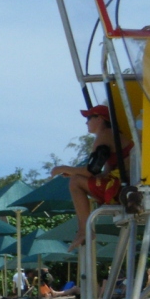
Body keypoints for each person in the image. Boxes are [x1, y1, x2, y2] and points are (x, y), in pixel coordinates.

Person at [51, 105, 132, 250]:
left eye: (89, 118)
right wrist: (75, 172)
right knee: (77, 179)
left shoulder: (105, 134)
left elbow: (90, 172)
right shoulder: (111, 135)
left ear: (99, 119)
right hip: (124, 186)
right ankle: (84, 230)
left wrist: (62, 168)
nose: (86, 122)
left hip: (123, 188)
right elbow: (103, 173)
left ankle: (84, 231)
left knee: (75, 182)